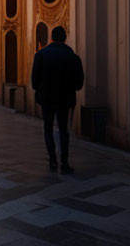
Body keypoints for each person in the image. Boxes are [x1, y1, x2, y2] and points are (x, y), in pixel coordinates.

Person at [31, 25, 84, 174]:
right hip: (66, 99)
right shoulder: (73, 57)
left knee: (48, 128)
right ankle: (65, 162)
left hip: (47, 99)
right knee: (63, 130)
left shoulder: (41, 55)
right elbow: (79, 83)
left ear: (51, 38)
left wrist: (42, 89)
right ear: (65, 38)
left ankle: (53, 159)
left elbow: (34, 80)